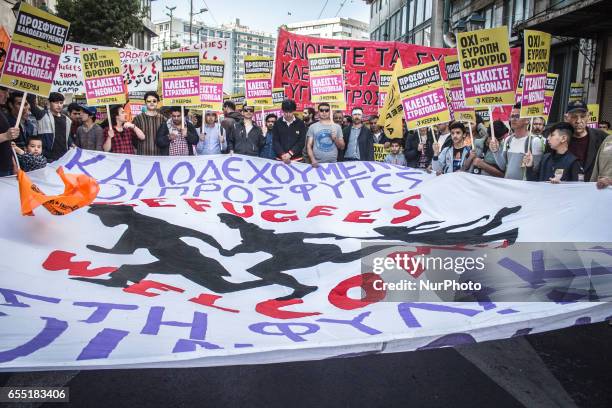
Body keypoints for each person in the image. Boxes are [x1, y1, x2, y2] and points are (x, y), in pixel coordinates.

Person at [490, 103, 543, 180]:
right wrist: (495, 151)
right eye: (512, 116)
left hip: (523, 189)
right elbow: (503, 166)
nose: (513, 119)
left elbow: (537, 171)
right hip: (508, 187)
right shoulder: (508, 140)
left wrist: (530, 165)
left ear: (527, 120)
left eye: (517, 116)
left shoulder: (534, 141)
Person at [564, 100, 607, 181]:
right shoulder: (558, 137)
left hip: (592, 188)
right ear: (566, 118)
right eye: (574, 117)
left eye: (583, 116)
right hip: (565, 187)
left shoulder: (601, 136)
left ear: (588, 117)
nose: (578, 121)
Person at [27, 92, 72, 162]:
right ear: (49, 102)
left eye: (61, 103)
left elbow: (67, 137)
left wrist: (72, 145)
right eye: (56, 103)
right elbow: (32, 105)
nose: (59, 105)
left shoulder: (67, 119)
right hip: (47, 157)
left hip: (63, 157)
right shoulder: (42, 115)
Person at [306, 102, 345, 167]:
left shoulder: (337, 127)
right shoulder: (312, 127)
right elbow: (309, 145)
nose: (324, 112)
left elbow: (342, 147)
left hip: (333, 164)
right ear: (318, 112)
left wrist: (335, 139)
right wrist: (312, 160)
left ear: (330, 112)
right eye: (321, 110)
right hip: (317, 164)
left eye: (326, 110)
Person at [272, 99, 307, 163]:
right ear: (282, 111)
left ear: (294, 111)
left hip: (297, 159)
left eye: (290, 112)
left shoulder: (300, 123)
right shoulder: (277, 123)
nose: (288, 114)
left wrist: (290, 153)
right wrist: (282, 154)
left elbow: (301, 141)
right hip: (281, 159)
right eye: (286, 112)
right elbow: (275, 141)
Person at [132, 91, 165, 156]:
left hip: (159, 156)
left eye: (154, 101)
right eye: (149, 101)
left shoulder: (163, 119)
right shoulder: (138, 119)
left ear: (157, 102)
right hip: (143, 156)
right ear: (145, 103)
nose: (151, 103)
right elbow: (133, 137)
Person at [0, 111, 20, 176]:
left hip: (7, 167)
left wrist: (14, 163)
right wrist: (6, 135)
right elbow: (6, 136)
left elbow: (7, 143)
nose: (6, 100)